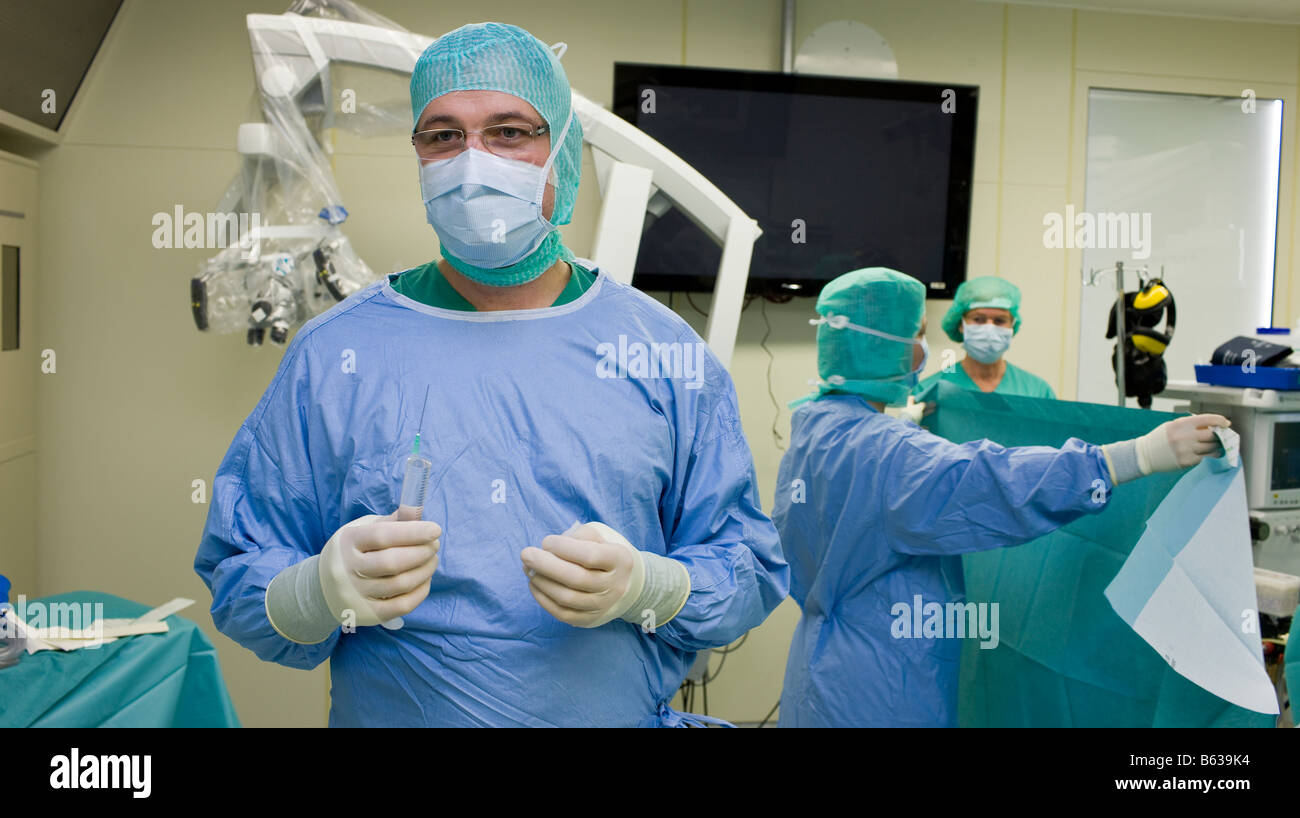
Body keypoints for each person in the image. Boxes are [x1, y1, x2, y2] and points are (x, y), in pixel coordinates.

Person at [195, 22, 787, 727]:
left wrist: (652, 586)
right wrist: (317, 591)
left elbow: (748, 565)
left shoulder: (659, 353)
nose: (472, 162)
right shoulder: (336, 355)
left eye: (509, 132)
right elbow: (238, 573)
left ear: (559, 152)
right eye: (443, 136)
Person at [774, 267, 1227, 727]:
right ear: (881, 344)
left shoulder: (816, 428)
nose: (922, 349)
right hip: (882, 687)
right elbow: (990, 483)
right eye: (917, 334)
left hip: (821, 667)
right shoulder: (891, 453)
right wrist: (1132, 457)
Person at [915, 275, 1056, 398]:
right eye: (978, 319)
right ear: (961, 324)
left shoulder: (1037, 392)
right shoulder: (929, 390)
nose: (989, 328)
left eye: (999, 321)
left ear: (1012, 326)